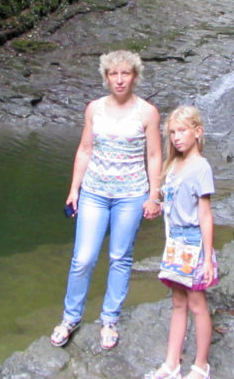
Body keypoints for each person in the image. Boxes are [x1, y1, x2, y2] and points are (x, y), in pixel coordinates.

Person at [50, 50, 163, 350]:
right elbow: (85, 149)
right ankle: (70, 318)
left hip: (130, 194)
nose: (120, 79)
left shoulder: (148, 112)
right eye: (114, 73)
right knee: (83, 258)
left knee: (119, 257)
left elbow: (154, 155)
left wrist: (155, 195)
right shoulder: (94, 109)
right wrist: (74, 189)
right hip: (94, 192)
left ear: (135, 77)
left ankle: (109, 319)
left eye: (126, 73)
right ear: (106, 77)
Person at [140, 105, 216, 379]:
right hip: (174, 244)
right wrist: (156, 206)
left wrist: (207, 258)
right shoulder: (172, 166)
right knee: (178, 303)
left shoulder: (201, 167)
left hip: (194, 245)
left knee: (197, 304)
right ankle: (171, 364)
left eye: (182, 131)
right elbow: (171, 202)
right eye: (172, 132)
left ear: (197, 132)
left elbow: (205, 215)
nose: (176, 137)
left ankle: (200, 366)